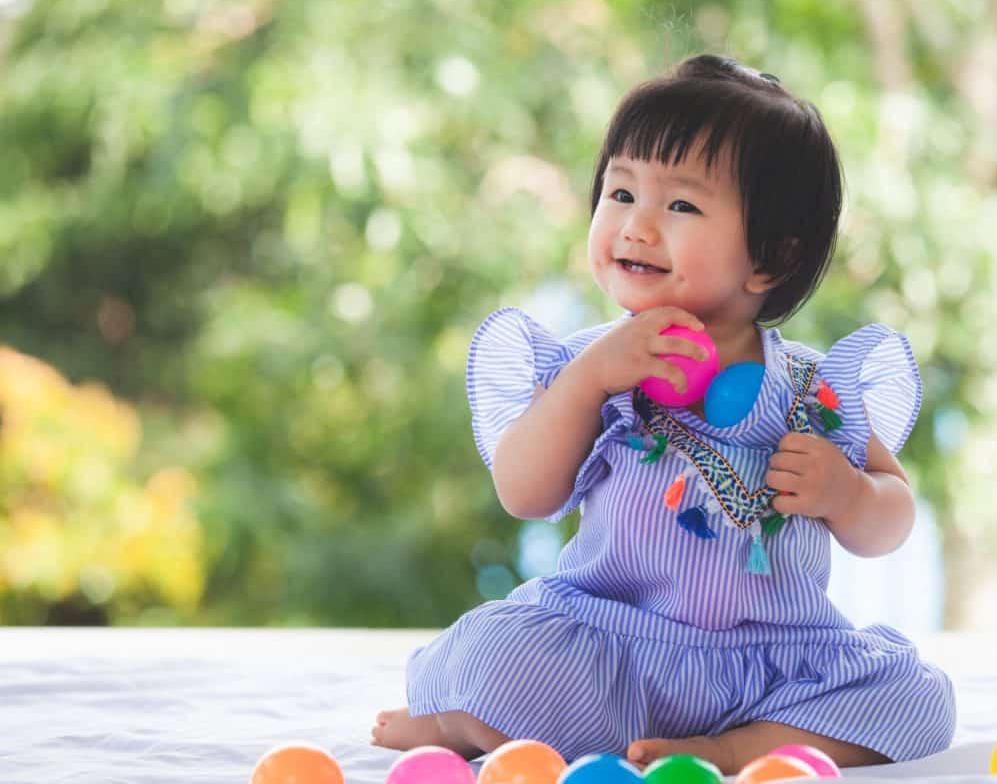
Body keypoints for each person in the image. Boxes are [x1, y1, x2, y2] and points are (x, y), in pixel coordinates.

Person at [371, 53, 955, 774]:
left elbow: (893, 513)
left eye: (679, 205)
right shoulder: (593, 366)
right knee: (507, 658)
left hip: (770, 666)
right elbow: (524, 492)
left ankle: (730, 748)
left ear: (770, 259)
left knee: (917, 696)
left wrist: (850, 493)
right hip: (611, 650)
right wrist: (587, 384)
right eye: (620, 193)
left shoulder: (810, 389)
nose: (636, 226)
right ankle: (456, 718)